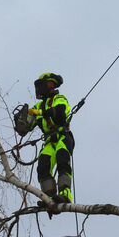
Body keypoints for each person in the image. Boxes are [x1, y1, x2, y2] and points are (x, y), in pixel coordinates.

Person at [20, 72, 75, 204]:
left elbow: (60, 114)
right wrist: (21, 121)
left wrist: (39, 113)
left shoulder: (59, 99)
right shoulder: (38, 106)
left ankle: (65, 194)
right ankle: (49, 197)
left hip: (63, 137)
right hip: (49, 141)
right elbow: (26, 127)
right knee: (43, 165)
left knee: (63, 160)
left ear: (50, 85)